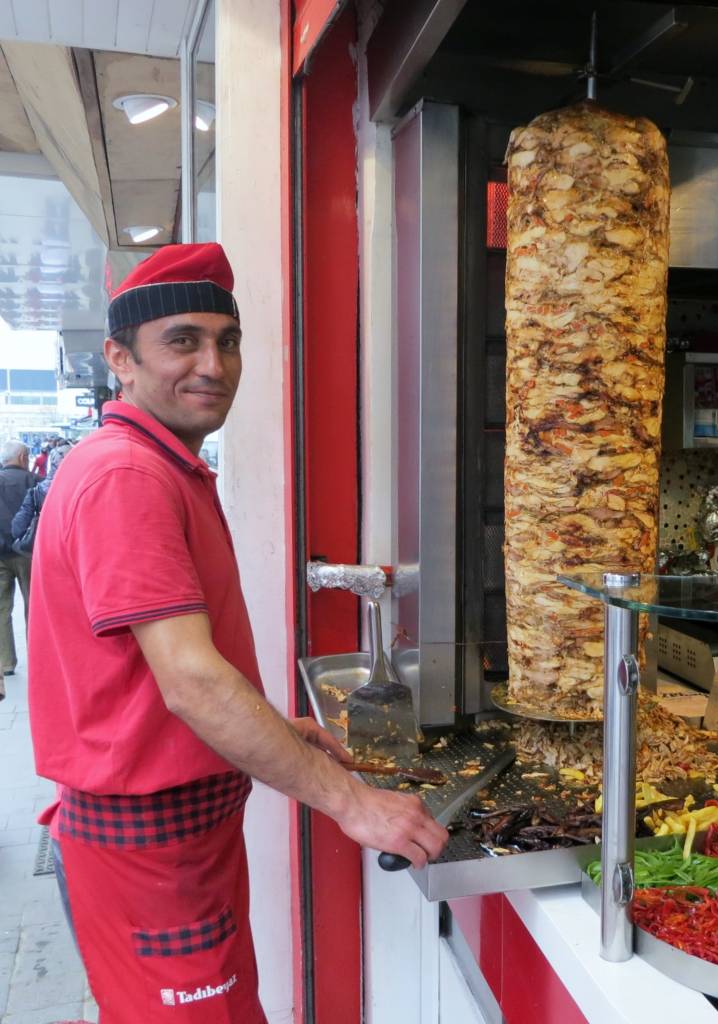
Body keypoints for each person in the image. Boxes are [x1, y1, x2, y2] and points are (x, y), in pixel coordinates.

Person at [28, 243, 448, 1023]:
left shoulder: (159, 465)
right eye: (182, 341)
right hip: (150, 849)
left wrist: (276, 736)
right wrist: (350, 802)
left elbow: (150, 679)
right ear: (120, 358)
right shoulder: (128, 476)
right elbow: (190, 681)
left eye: (228, 340)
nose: (213, 365)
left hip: (176, 835)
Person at [0, 439, 34, 688]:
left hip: (0, 554)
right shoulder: (33, 481)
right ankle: (37, 655)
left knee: (2, 609)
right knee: (33, 606)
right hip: (27, 553)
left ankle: (6, 662)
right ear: (23, 457)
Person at [11, 443, 72, 554]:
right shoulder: (86, 489)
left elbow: (18, 529)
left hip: (46, 551)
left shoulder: (38, 491)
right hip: (75, 554)